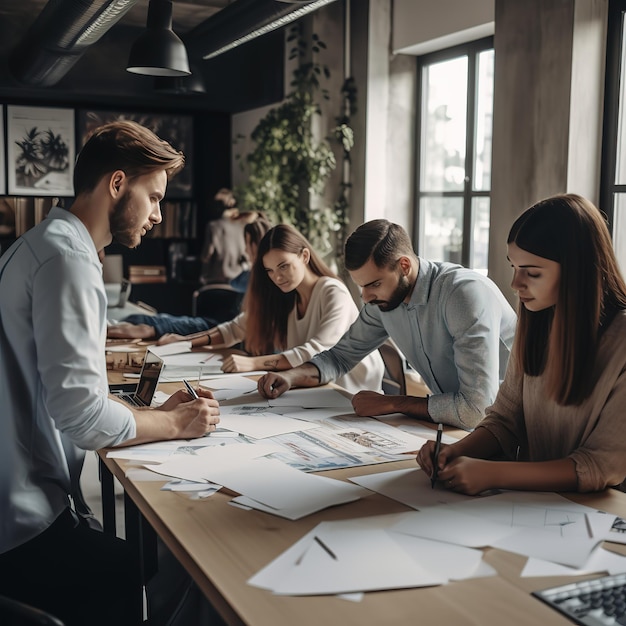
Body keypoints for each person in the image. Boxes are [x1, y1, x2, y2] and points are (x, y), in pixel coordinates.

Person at [0, 120, 220, 626]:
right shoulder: (69, 258)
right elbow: (81, 416)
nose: (159, 216)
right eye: (155, 196)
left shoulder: (41, 241)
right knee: (133, 568)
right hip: (21, 517)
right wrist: (174, 423)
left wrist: (155, 413)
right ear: (117, 184)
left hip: (20, 490)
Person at [417, 193, 626, 495]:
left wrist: (493, 473)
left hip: (595, 517)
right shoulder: (537, 319)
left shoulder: (620, 342)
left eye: (532, 272)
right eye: (514, 268)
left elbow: (600, 465)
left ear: (577, 271)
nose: (516, 284)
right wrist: (458, 450)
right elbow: (504, 420)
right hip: (527, 507)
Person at [257, 219, 517, 430]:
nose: (366, 297)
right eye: (361, 286)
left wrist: (393, 403)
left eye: (374, 284)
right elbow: (340, 357)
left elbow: (476, 409)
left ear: (404, 266)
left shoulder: (463, 294)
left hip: (517, 435)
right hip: (457, 428)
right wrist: (291, 376)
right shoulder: (382, 302)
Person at [162, 223, 384, 395]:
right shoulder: (286, 295)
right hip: (316, 391)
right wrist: (185, 342)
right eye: (269, 270)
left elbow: (317, 351)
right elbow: (234, 329)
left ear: (304, 256)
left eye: (283, 266)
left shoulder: (332, 291)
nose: (277, 277)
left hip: (351, 394)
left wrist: (252, 363)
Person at [106, 211, 271, 340]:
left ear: (255, 245)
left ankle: (134, 325)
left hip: (219, 324)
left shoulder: (259, 278)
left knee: (154, 321)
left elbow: (231, 325)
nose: (245, 250)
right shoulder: (250, 274)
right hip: (220, 322)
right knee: (154, 318)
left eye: (247, 243)